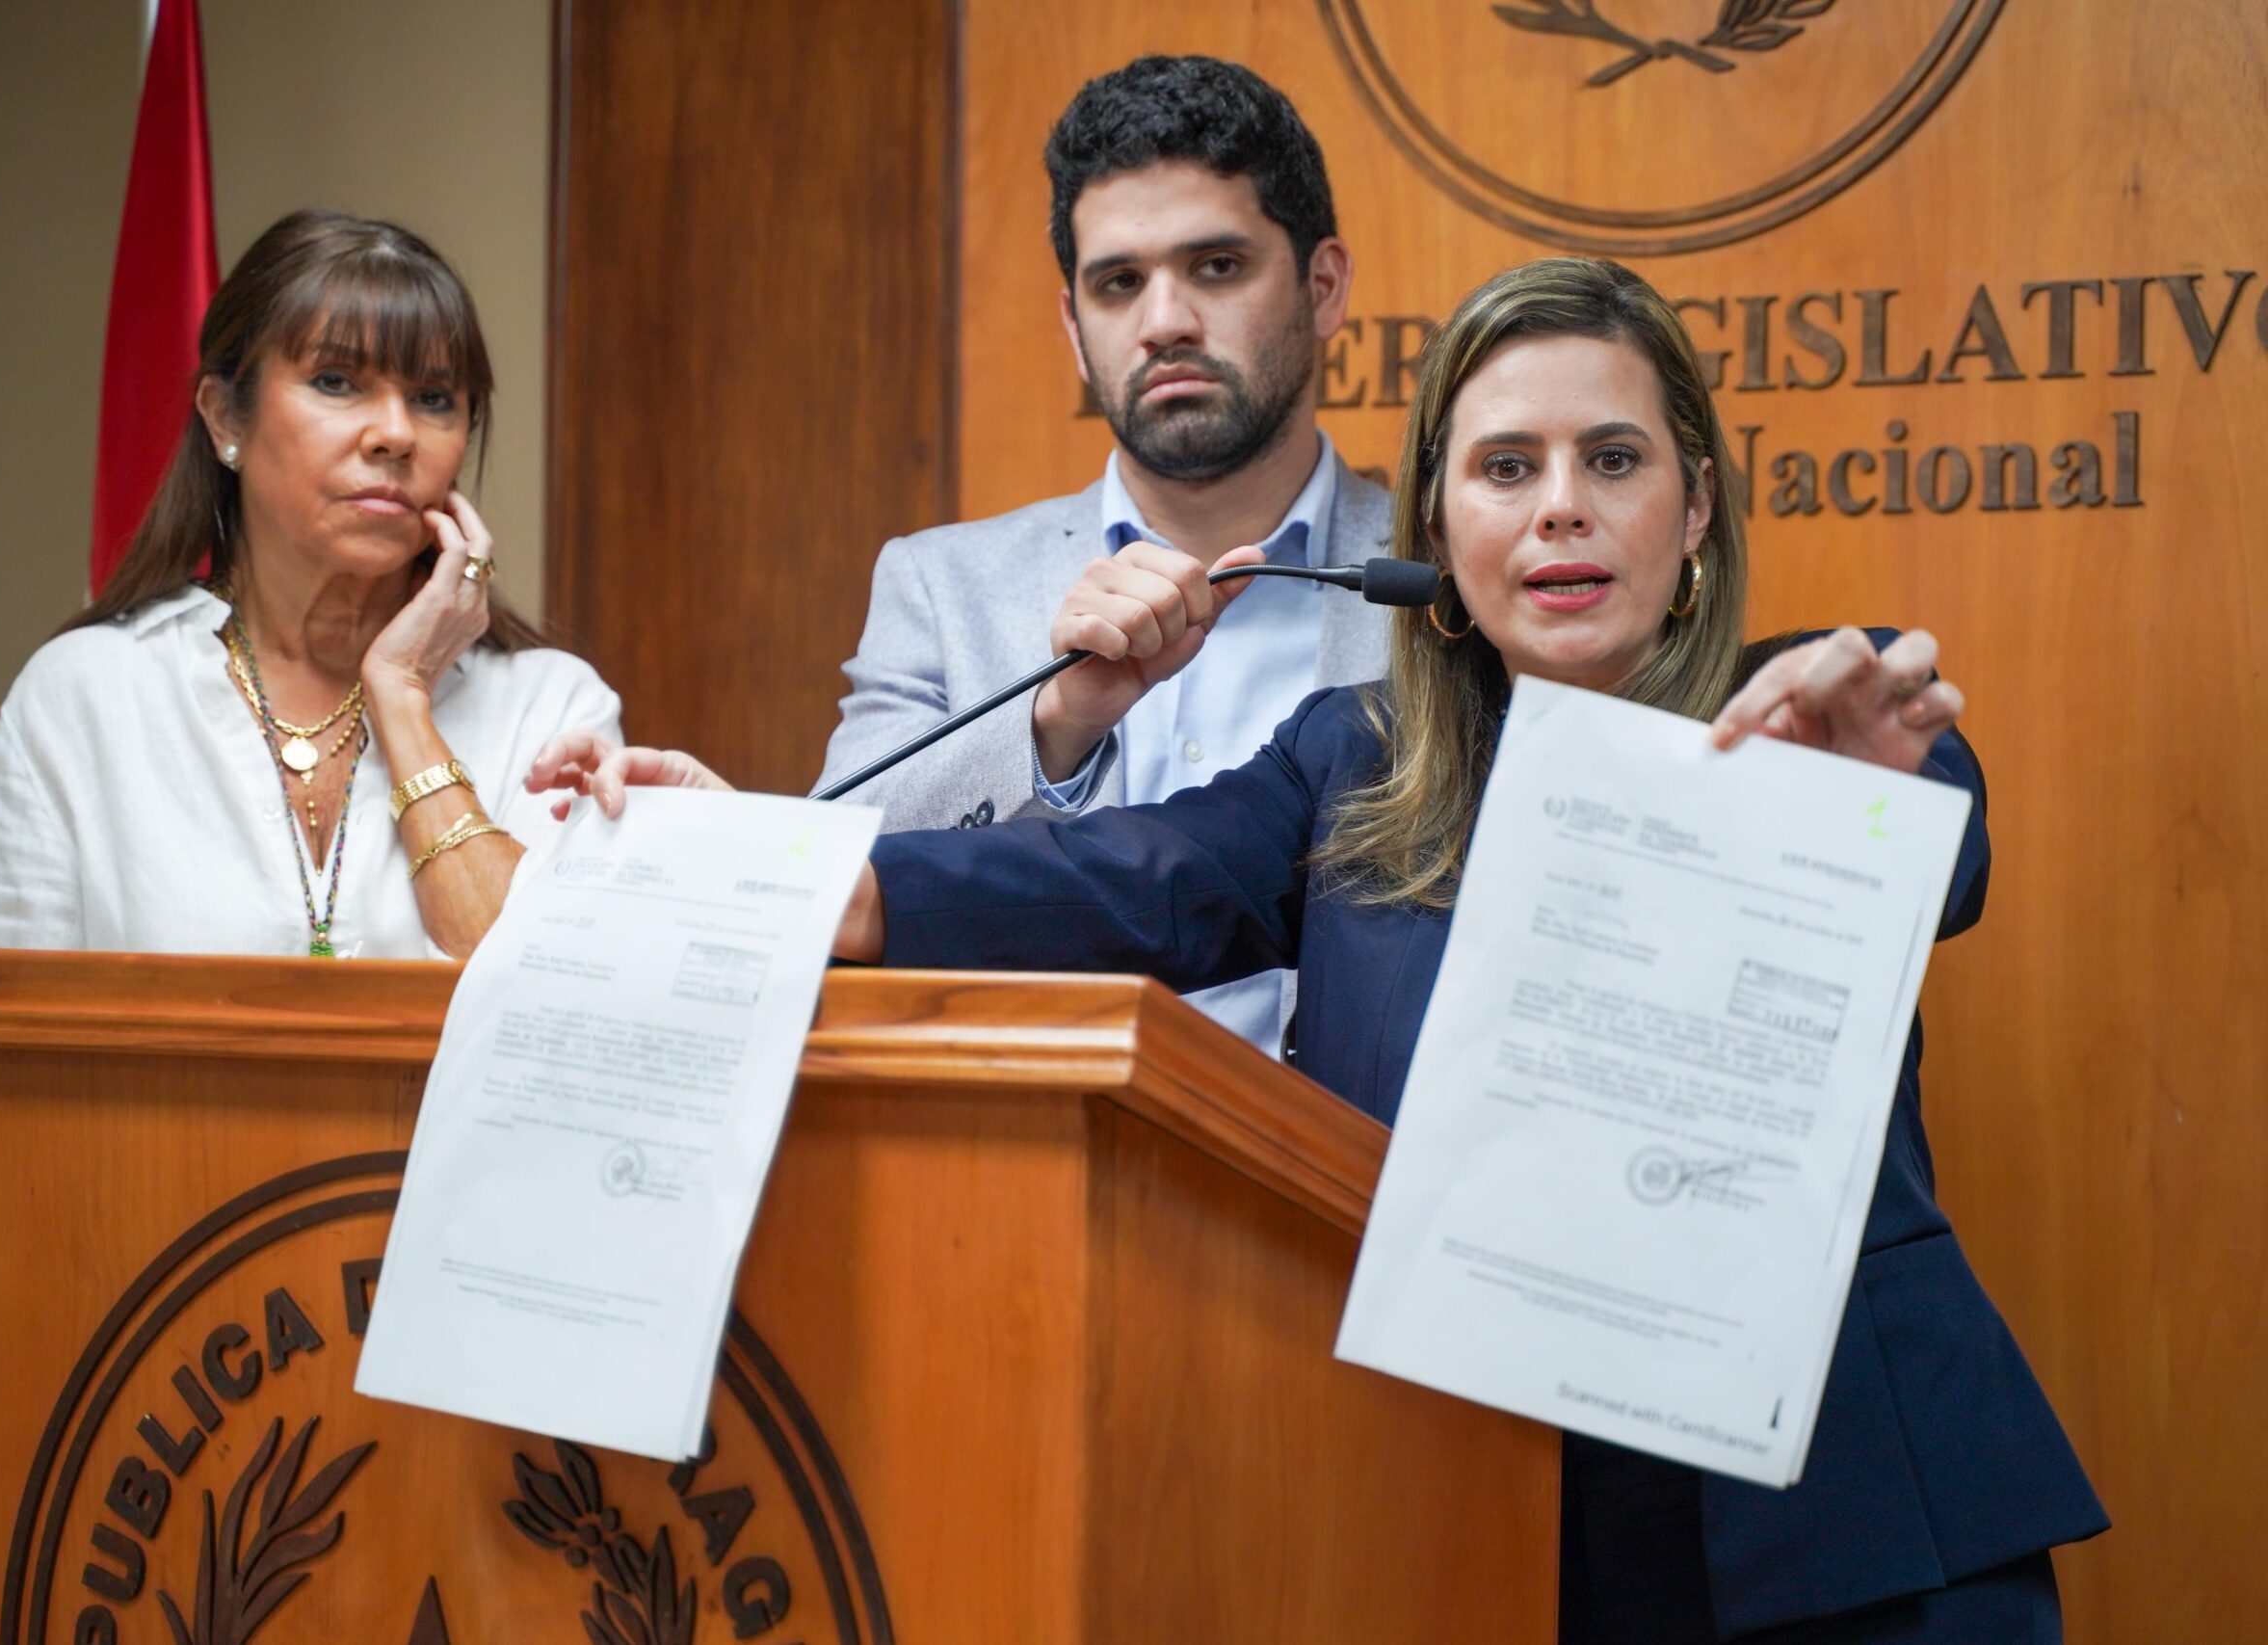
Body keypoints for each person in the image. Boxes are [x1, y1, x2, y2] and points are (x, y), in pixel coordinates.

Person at [533, 257, 2107, 1641]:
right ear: (1440, 528)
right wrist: (741, 847)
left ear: (1692, 505)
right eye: (1506, 465)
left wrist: (1842, 795)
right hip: (1461, 1513)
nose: (1559, 500)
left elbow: (1939, 838)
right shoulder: (1345, 762)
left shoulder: (1819, 717)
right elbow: (1091, 885)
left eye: (1611, 457)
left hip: (1844, 1529)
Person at [815, 55, 1392, 1057]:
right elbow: (842, 883)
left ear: (1323, 286)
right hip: (1021, 1180)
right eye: (1118, 283)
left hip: (1349, 1184)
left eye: (1216, 267)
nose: (1164, 321)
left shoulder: (1443, 580)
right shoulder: (942, 587)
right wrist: (1052, 729)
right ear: (1076, 332)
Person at [0, 209, 620, 960]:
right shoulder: (87, 695)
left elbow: (544, 1004)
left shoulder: (554, 711)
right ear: (226, 414)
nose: (396, 432)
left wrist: (402, 694)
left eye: (434, 397)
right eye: (337, 381)